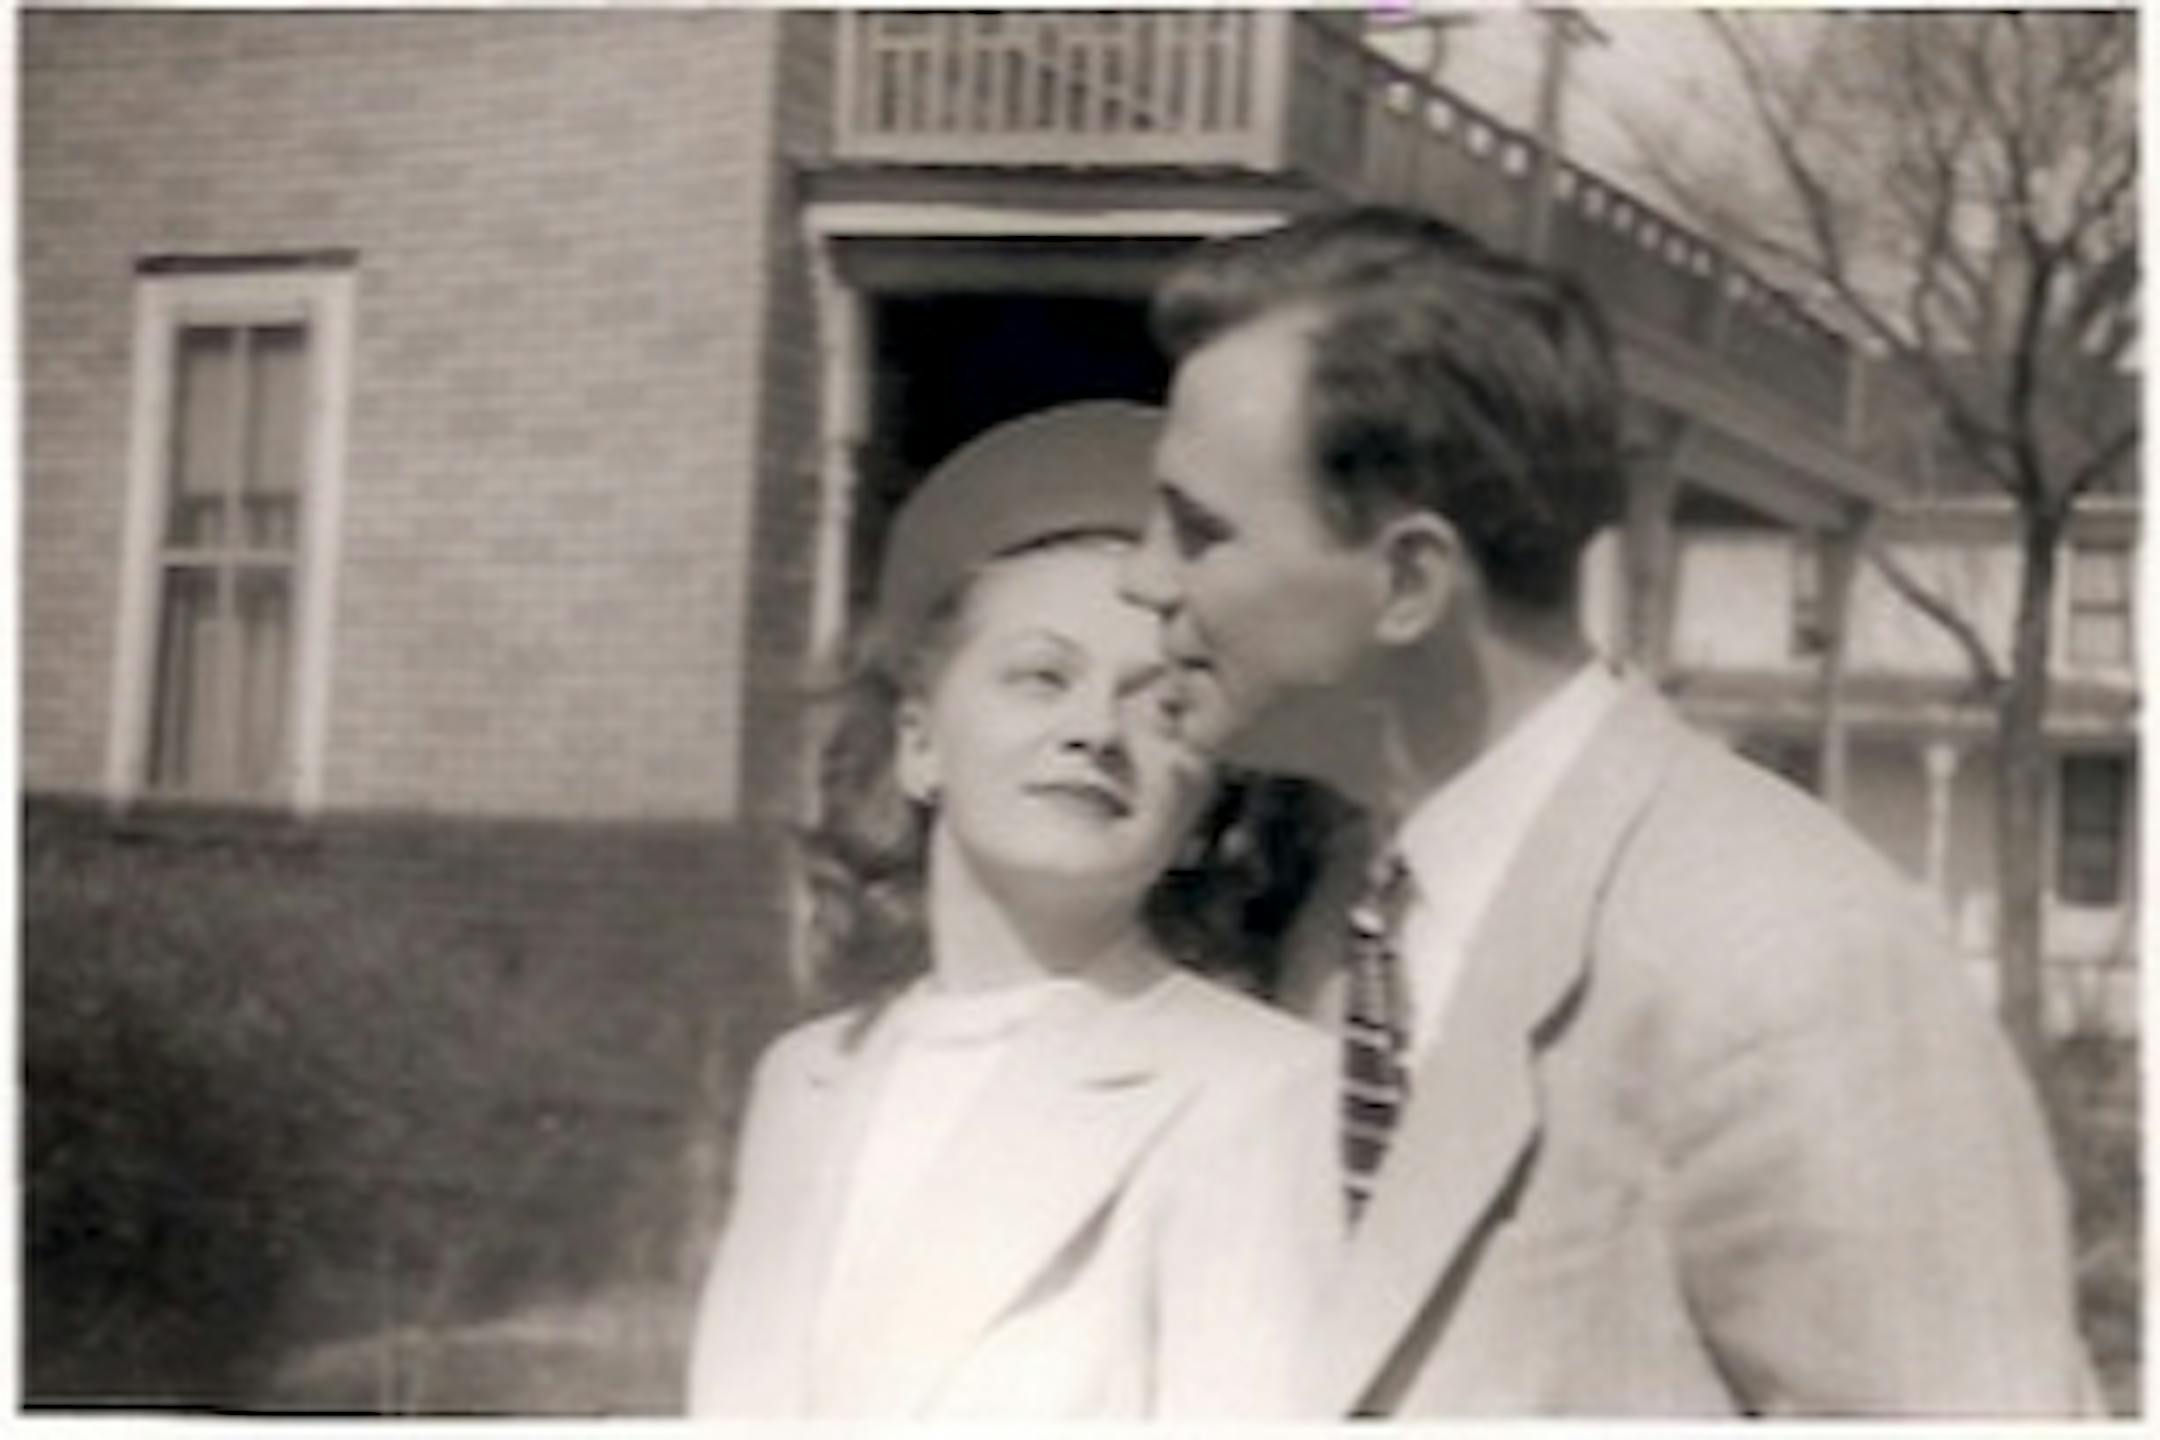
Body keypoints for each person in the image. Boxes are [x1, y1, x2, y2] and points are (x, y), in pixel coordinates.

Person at [1119, 205, 2099, 1417]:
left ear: (1411, 582)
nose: (1142, 577)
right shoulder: (1336, 910)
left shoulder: (1783, 948)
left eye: (1198, 531)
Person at [684, 400, 1337, 1419]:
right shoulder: (805, 1080)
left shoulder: (1260, 1094)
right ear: (919, 741)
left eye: (1160, 704)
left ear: (1207, 799)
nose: (1094, 731)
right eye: (1041, 677)